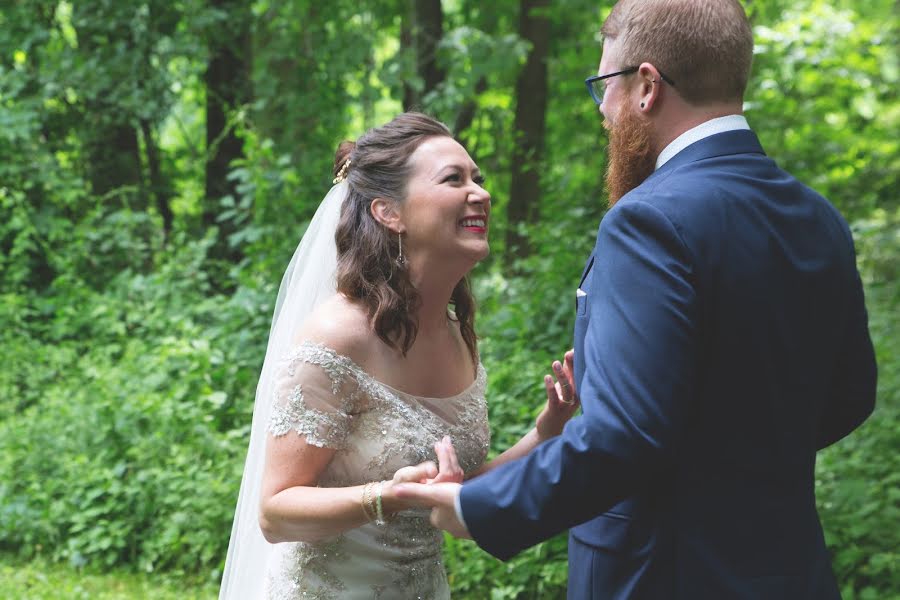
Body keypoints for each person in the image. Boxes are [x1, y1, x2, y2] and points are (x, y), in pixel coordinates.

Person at [394, 1, 878, 598]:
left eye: (606, 87)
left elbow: (624, 435)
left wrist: (476, 506)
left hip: (659, 574)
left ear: (646, 86)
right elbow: (851, 397)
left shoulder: (648, 220)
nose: (604, 111)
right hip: (791, 570)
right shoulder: (818, 218)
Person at [218, 112, 579, 599]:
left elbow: (458, 487)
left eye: (479, 178)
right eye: (454, 179)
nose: (480, 193)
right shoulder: (338, 337)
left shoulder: (456, 335)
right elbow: (275, 512)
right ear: (390, 212)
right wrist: (387, 496)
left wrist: (546, 430)